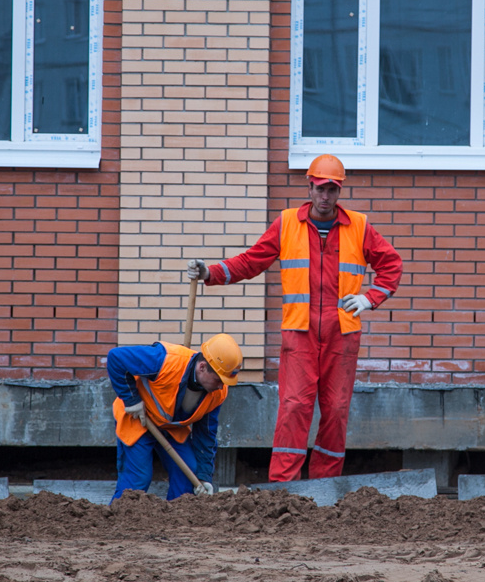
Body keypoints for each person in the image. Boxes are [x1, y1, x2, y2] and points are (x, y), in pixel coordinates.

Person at [187, 154, 402, 482]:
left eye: (332, 189)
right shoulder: (287, 223)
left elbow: (391, 264)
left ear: (339, 190)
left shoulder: (358, 226)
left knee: (335, 411)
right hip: (299, 333)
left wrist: (370, 298)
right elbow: (251, 261)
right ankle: (283, 488)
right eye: (320, 188)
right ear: (310, 187)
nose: (325, 196)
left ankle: (324, 486)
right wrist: (210, 273)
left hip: (341, 334)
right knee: (293, 408)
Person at [106, 333, 243, 501]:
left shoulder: (217, 393)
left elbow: (206, 435)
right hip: (139, 419)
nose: (221, 386)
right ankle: (121, 520)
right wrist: (131, 399)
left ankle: (176, 520)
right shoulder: (165, 361)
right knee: (139, 478)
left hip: (170, 428)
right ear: (202, 367)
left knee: (188, 472)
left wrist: (204, 476)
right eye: (218, 379)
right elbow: (116, 358)